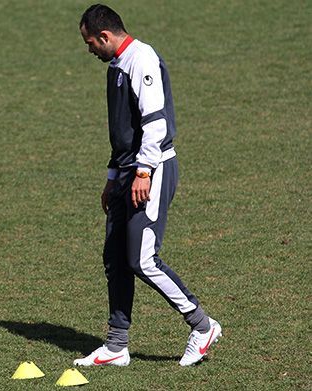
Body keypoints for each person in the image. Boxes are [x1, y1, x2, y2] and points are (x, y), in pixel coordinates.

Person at [73, 5, 221, 367]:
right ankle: (116, 345)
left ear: (105, 36)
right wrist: (113, 179)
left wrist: (143, 172)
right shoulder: (116, 67)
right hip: (126, 172)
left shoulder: (143, 60)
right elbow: (121, 133)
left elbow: (155, 123)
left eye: (90, 42)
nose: (89, 49)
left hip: (150, 170)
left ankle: (202, 326)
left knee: (142, 259)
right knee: (115, 258)